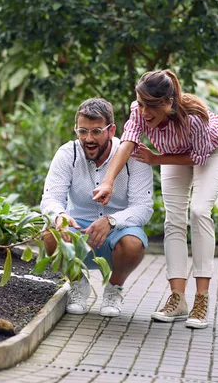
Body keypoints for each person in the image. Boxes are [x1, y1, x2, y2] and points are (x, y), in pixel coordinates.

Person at [92, 70, 218, 329]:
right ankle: (177, 299)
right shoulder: (139, 110)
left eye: (151, 106)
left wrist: (156, 159)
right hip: (172, 154)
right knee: (174, 220)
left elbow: (197, 158)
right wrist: (108, 182)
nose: (144, 112)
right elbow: (128, 143)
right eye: (141, 104)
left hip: (210, 155)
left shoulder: (194, 118)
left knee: (199, 212)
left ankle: (201, 299)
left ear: (168, 103)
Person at [41, 98, 153, 317]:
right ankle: (78, 284)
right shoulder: (67, 154)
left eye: (96, 131)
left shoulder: (134, 157)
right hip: (78, 232)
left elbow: (143, 208)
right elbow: (50, 198)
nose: (88, 139)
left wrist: (112, 221)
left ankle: (114, 289)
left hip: (118, 233)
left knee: (133, 243)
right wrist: (60, 215)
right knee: (50, 233)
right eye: (82, 131)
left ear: (111, 130)